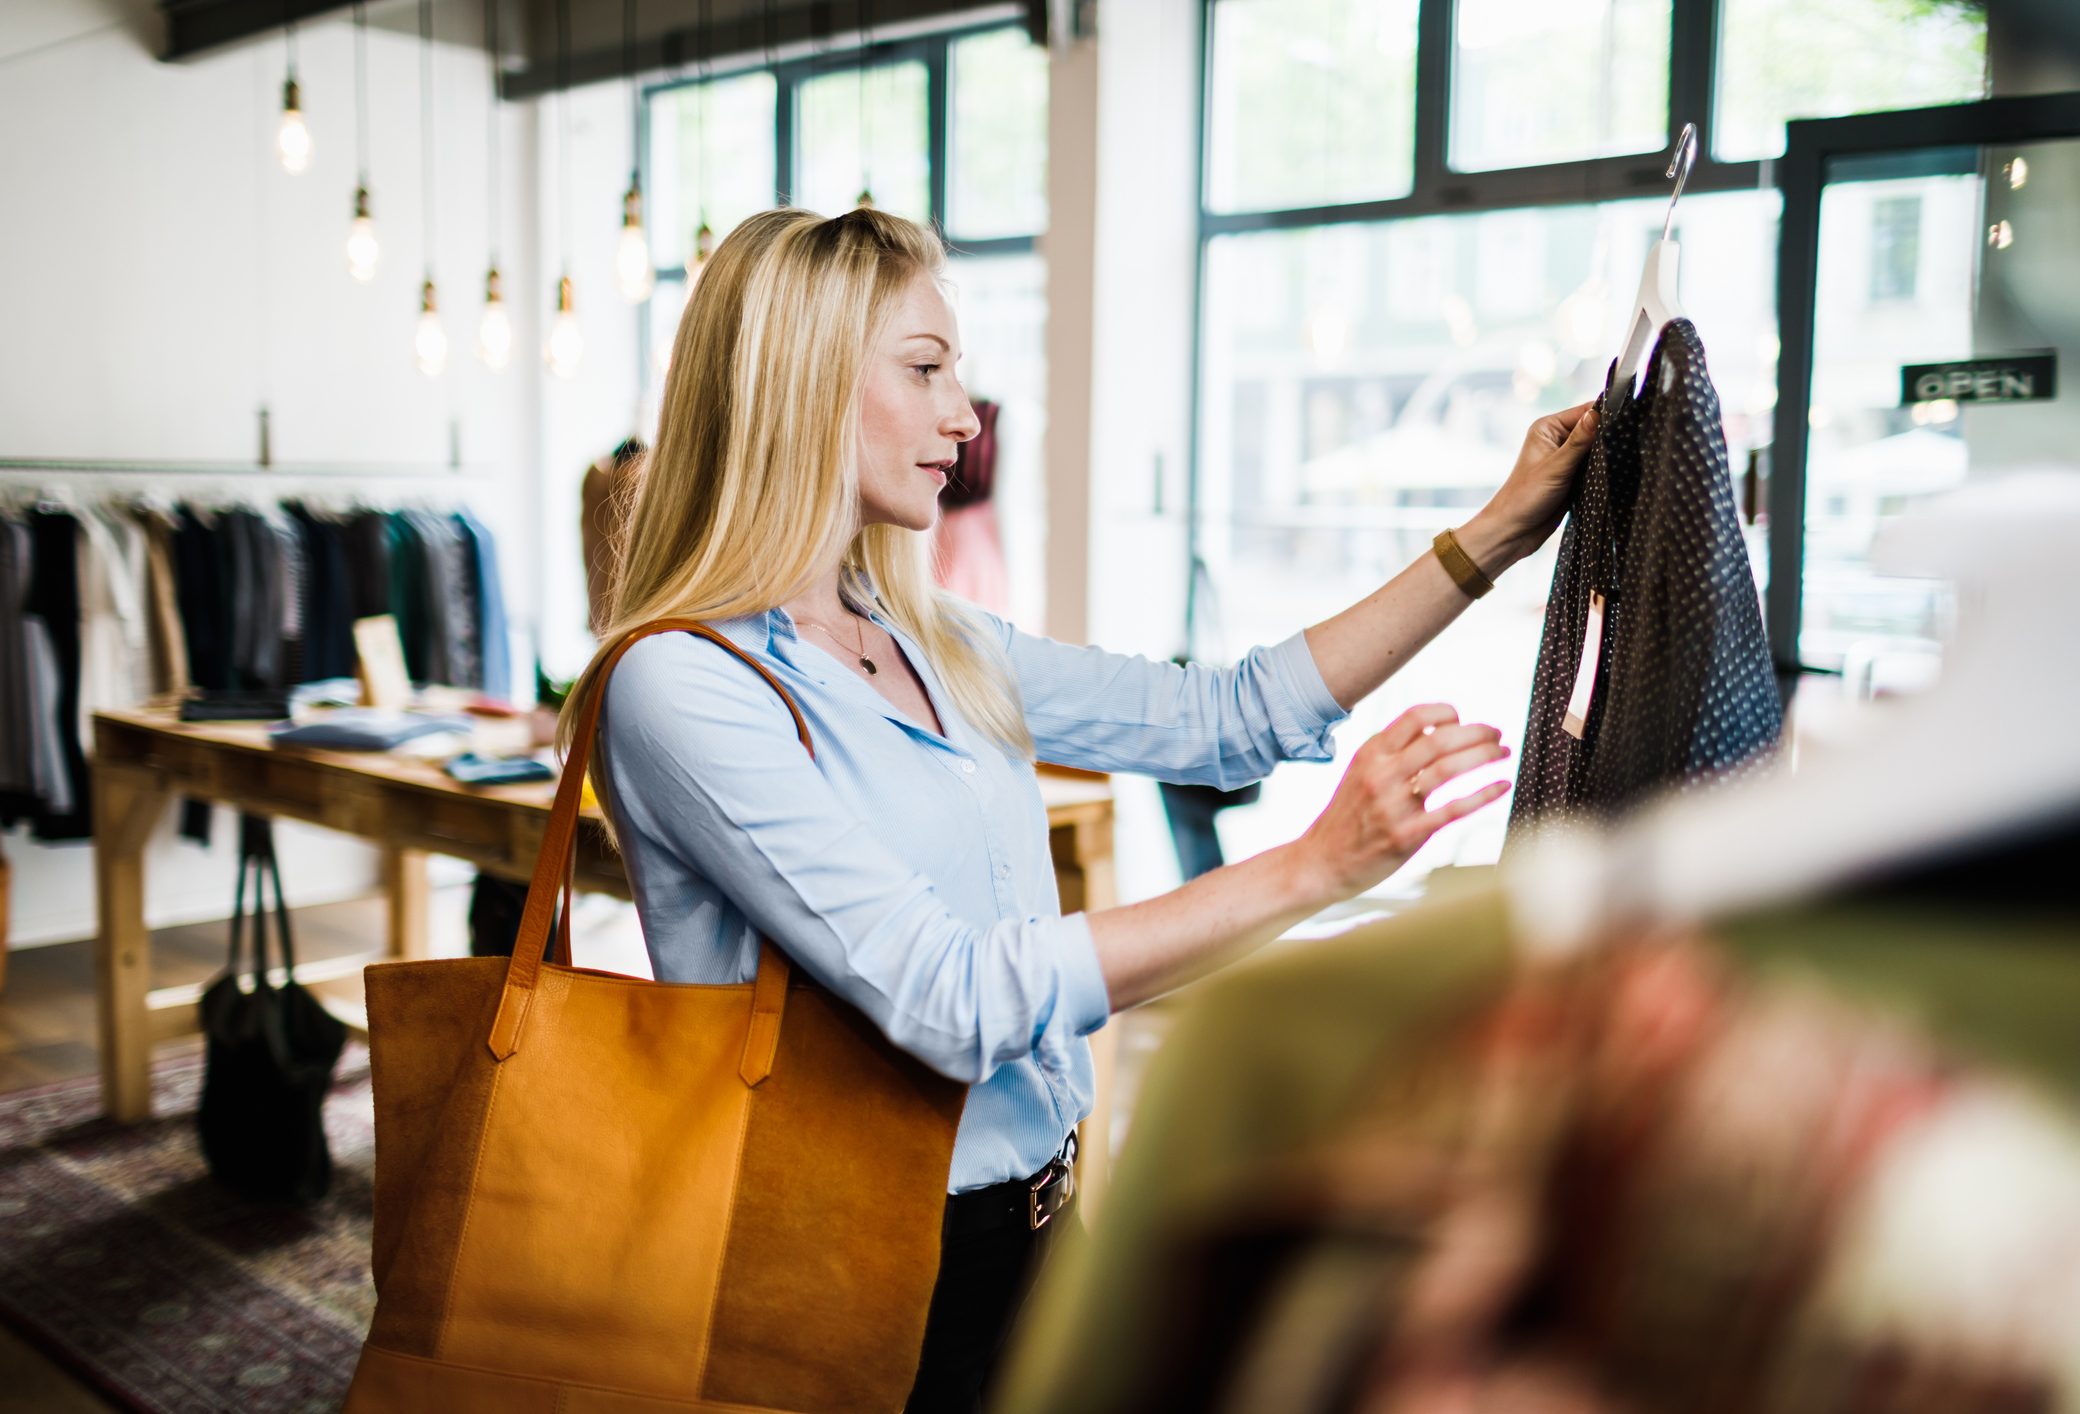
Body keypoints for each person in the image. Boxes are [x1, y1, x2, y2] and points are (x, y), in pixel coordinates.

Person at [568, 205, 1597, 1412]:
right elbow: (949, 997)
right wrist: (1313, 867)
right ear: (798, 386)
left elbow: (1225, 716)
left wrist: (1498, 533)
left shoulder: (929, 635)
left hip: (1043, 1219)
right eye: (926, 367)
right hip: (854, 1267)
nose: (967, 412)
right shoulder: (679, 682)